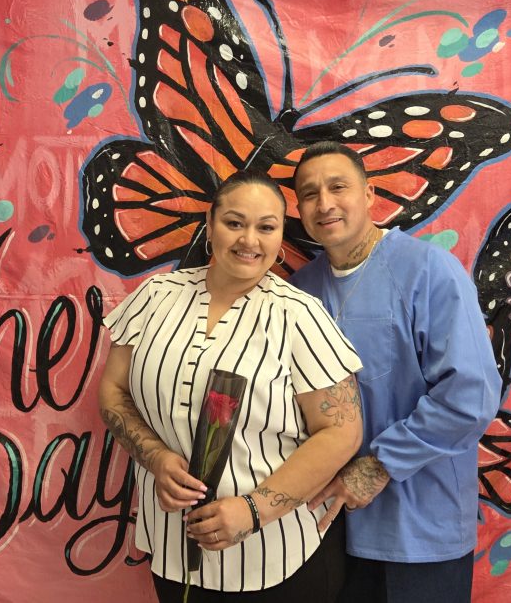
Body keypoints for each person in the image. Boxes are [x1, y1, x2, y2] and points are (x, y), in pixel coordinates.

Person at [98, 169, 364, 602]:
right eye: (235, 223)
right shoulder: (154, 297)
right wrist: (156, 457)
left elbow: (342, 431)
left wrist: (253, 510)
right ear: (210, 224)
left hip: (275, 557)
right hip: (170, 547)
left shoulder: (299, 315)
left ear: (281, 236)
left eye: (266, 227)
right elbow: (113, 392)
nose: (249, 241)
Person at [289, 142, 501, 603]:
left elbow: (471, 393)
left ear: (368, 195)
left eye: (338, 187)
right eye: (309, 194)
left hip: (418, 532)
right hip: (324, 532)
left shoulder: (428, 270)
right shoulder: (299, 290)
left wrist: (379, 465)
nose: (324, 203)